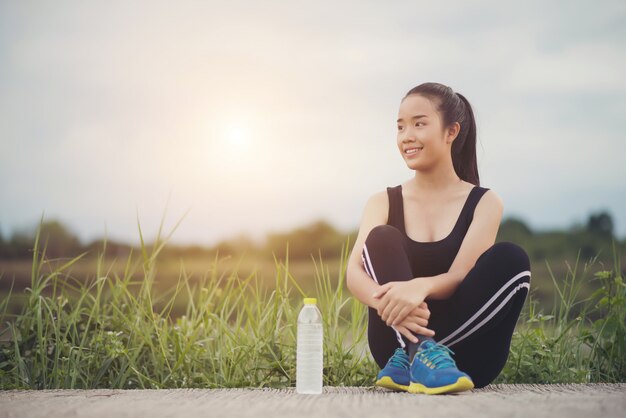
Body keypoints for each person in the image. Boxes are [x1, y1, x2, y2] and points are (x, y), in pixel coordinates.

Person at [345, 82, 531, 395]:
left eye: (419, 124)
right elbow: (354, 275)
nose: (407, 136)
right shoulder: (383, 201)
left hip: (468, 357)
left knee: (512, 258)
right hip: (396, 348)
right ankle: (420, 350)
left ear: (451, 132)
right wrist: (393, 302)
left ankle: (429, 355)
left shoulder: (485, 202)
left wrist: (421, 286)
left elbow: (461, 275)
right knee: (381, 238)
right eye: (400, 126)